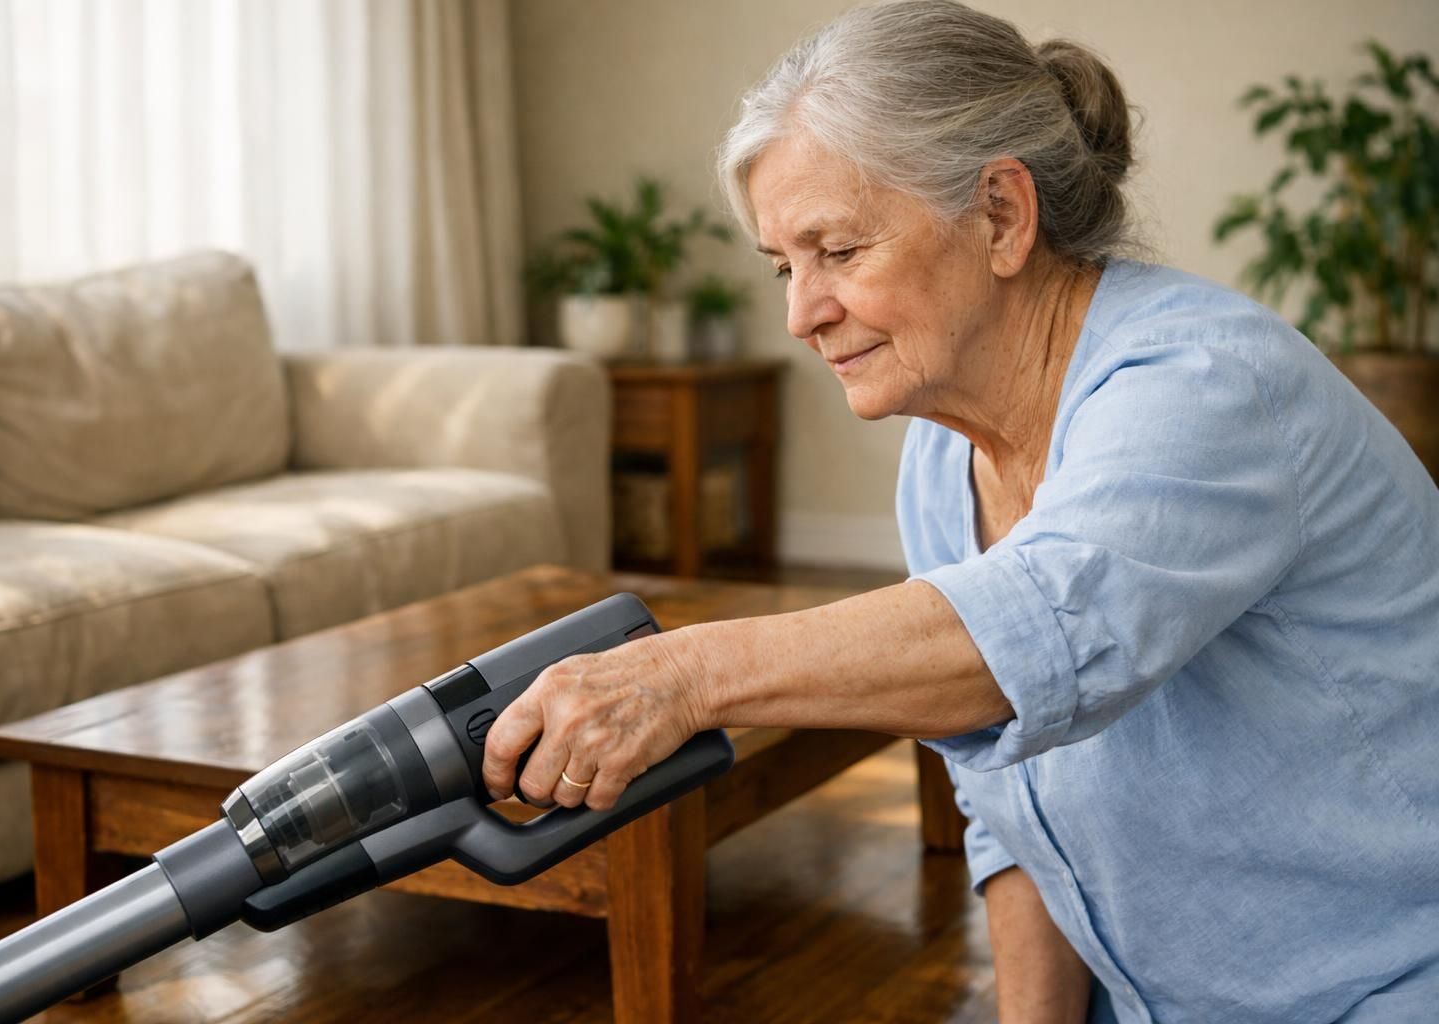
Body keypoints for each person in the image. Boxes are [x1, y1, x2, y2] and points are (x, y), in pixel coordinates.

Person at [482, 2, 1439, 1021]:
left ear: (1001, 216)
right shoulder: (943, 462)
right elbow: (1017, 814)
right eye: (784, 266)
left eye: (838, 250)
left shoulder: (1204, 386)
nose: (800, 314)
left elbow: (1025, 639)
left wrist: (683, 676)